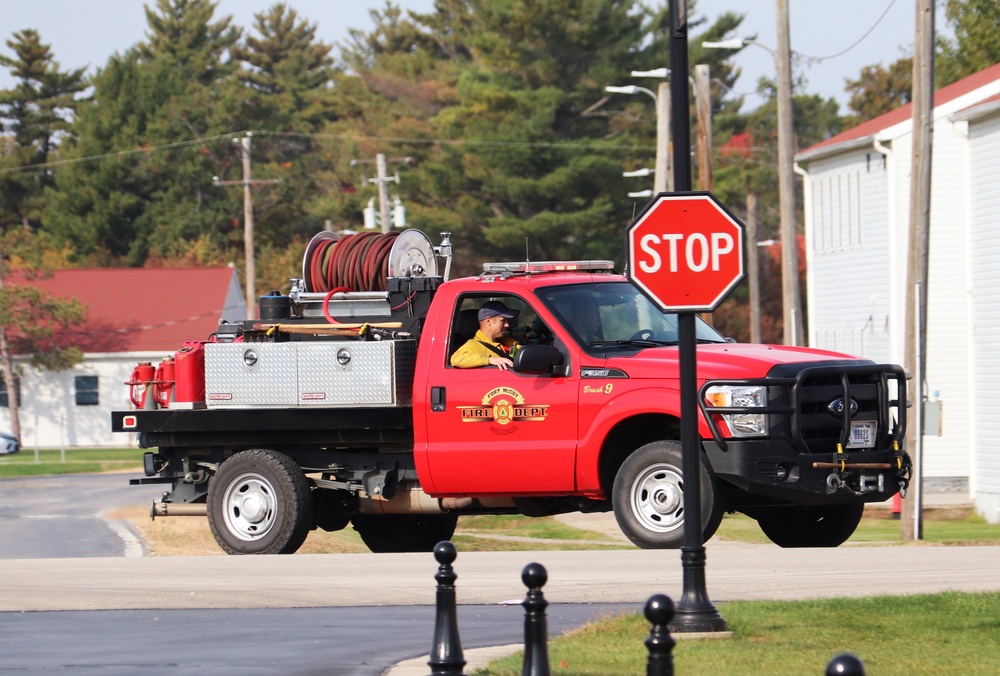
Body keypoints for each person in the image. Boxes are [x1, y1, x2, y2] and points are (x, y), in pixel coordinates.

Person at [450, 300, 522, 370]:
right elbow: (456, 359)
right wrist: (489, 359)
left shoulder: (507, 341)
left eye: (507, 321)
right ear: (488, 321)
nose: (507, 325)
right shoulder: (473, 345)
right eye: (503, 321)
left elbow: (521, 354)